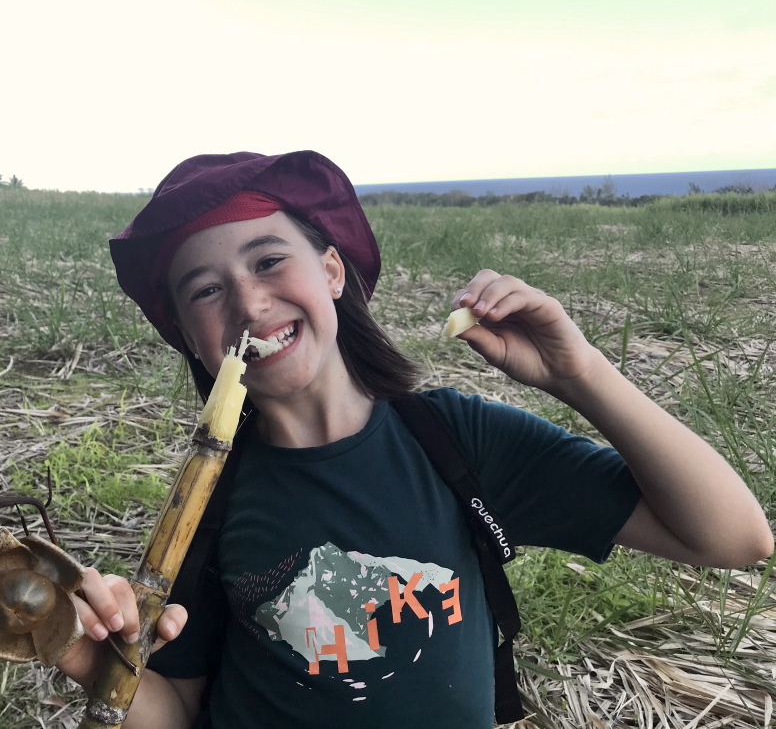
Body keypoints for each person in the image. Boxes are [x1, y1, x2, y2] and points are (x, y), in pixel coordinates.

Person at [56, 151, 773, 728]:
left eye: (269, 260)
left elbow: (734, 537)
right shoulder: (206, 502)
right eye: (205, 291)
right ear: (189, 334)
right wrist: (86, 656)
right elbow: (176, 707)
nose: (249, 301)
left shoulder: (454, 439)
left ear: (331, 271)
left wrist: (579, 373)